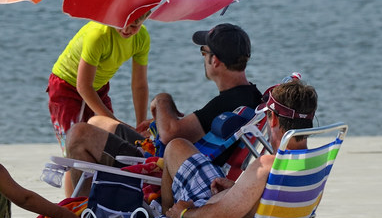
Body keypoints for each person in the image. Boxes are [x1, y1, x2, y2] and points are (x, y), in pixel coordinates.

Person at [0, 79, 320, 218]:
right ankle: (162, 210)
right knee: (177, 146)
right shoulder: (312, 161)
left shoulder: (266, 165)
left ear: (272, 120)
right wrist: (236, 188)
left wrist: (182, 214)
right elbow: (261, 204)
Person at [63, 23, 261, 181]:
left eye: (203, 52)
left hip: (160, 170)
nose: (203, 58)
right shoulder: (249, 96)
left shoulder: (227, 102)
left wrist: (162, 100)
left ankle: (83, 209)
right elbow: (190, 130)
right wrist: (157, 122)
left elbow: (170, 134)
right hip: (177, 158)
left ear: (215, 61)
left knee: (79, 135)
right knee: (97, 122)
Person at [47, 14, 151, 153]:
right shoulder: (98, 34)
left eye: (133, 26)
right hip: (66, 86)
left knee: (109, 141)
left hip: (98, 87)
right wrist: (119, 124)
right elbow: (83, 86)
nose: (126, 29)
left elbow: (139, 85)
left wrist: (140, 126)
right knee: (74, 147)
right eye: (121, 22)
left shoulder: (142, 37)